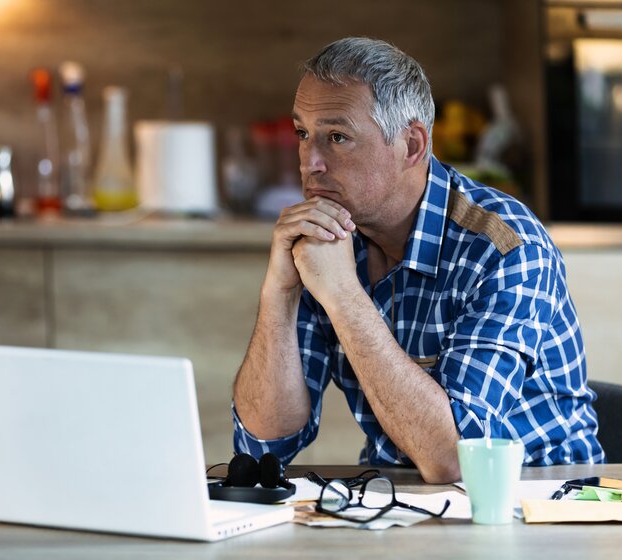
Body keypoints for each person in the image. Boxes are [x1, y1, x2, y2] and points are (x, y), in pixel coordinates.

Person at [232, 37, 603, 483]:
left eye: (337, 137)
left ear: (411, 145)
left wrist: (345, 296)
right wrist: (280, 291)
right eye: (303, 133)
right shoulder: (329, 240)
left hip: (539, 506)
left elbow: (456, 460)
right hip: (400, 505)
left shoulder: (506, 249)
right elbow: (262, 446)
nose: (310, 162)